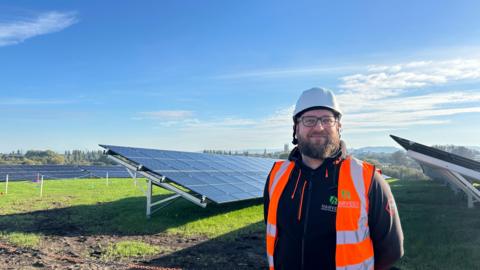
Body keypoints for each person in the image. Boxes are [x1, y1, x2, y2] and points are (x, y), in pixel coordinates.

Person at [264, 87, 404, 270]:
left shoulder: (367, 179)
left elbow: (391, 250)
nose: (319, 127)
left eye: (327, 120)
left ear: (339, 126)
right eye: (309, 120)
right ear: (296, 128)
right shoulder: (277, 175)